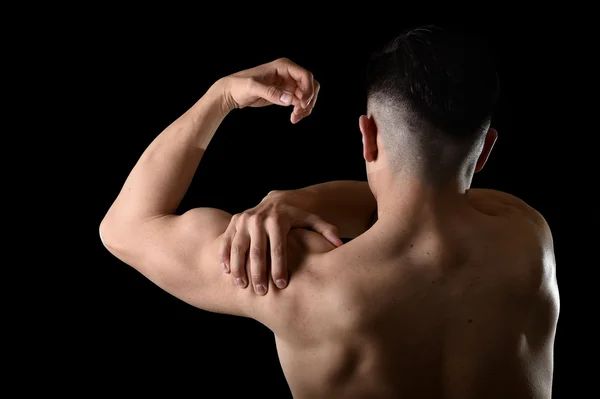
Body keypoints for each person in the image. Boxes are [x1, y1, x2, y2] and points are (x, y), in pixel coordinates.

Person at [100, 25, 559, 398]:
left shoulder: (297, 274)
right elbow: (434, 199)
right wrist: (304, 199)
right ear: (485, 152)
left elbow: (125, 227)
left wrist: (220, 96)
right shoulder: (527, 240)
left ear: (367, 136)